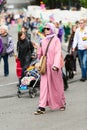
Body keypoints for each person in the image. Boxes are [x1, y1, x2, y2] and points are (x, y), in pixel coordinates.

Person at [34, 22, 66, 115]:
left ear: (52, 29)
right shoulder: (43, 41)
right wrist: (37, 49)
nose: (46, 30)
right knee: (43, 87)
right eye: (45, 29)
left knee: (57, 86)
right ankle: (41, 106)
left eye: (48, 28)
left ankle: (62, 103)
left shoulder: (56, 40)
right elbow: (40, 55)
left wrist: (56, 65)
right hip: (45, 68)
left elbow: (57, 53)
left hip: (54, 68)